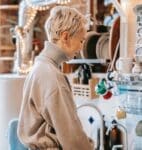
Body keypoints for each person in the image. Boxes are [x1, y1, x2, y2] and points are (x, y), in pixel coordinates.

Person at [17, 6, 94, 150]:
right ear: (65, 37)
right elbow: (72, 138)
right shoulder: (52, 76)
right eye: (81, 40)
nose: (81, 47)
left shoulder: (39, 67)